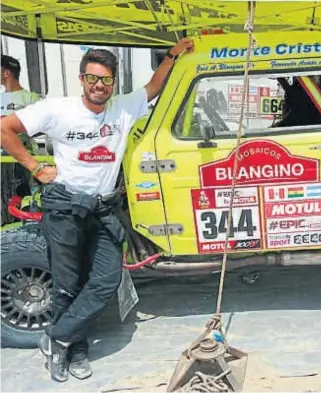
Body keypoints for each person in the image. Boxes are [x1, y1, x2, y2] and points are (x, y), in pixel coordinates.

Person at [0, 38, 194, 382]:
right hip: (65, 207)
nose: (99, 86)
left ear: (113, 83)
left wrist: (172, 56)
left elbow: (152, 87)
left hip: (103, 209)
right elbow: (6, 128)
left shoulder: (122, 107)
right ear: (82, 79)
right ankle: (74, 353)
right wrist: (35, 167)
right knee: (66, 285)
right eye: (92, 78)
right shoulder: (57, 109)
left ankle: (56, 337)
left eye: (105, 80)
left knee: (106, 280)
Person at [1, 55, 43, 224]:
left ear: (6, 73)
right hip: (2, 158)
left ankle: (24, 228)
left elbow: (41, 127)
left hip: (22, 154)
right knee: (4, 194)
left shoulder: (30, 99)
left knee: (23, 192)